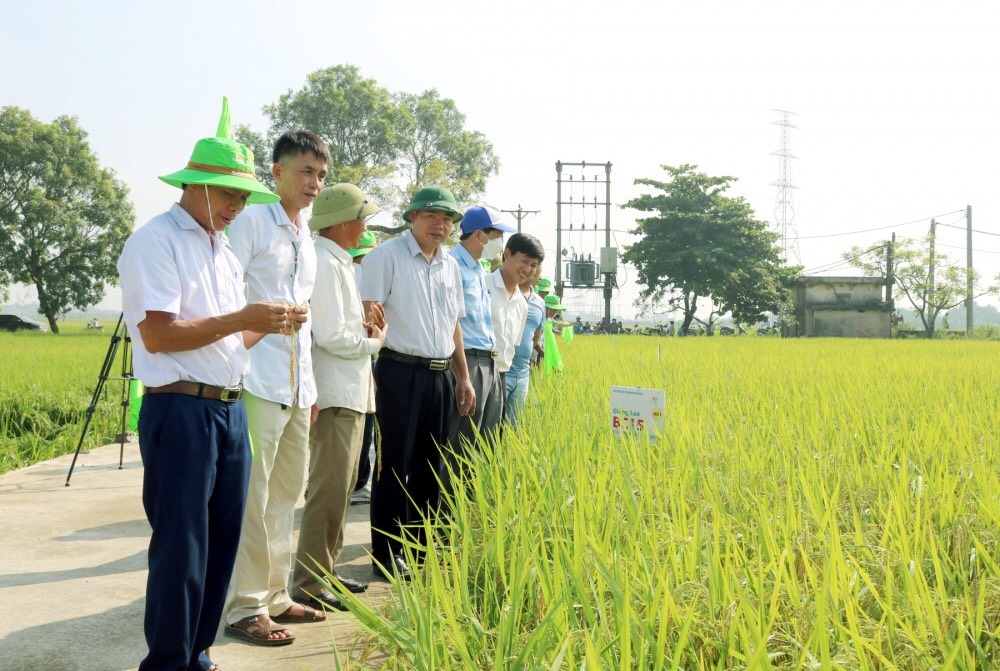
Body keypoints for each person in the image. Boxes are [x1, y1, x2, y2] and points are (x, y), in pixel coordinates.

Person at [117, 98, 306, 671]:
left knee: (223, 538)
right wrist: (243, 318)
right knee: (182, 546)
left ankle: (197, 650)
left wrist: (266, 324)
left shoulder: (222, 252)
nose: (236, 207)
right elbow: (159, 334)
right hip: (180, 412)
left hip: (226, 411)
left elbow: (224, 342)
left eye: (244, 197)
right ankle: (168, 662)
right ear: (195, 186)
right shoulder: (157, 241)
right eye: (229, 194)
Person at [224, 130, 331, 645]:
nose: (314, 183)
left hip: (295, 382)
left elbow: (303, 316)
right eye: (306, 171)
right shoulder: (251, 222)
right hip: (257, 377)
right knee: (255, 494)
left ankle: (276, 596)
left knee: (287, 493)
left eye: (321, 175)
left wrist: (308, 390)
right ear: (278, 172)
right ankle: (244, 607)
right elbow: (227, 290)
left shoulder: (303, 232)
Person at [359, 185, 474, 581]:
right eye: (431, 216)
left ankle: (419, 547)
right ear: (412, 217)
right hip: (398, 372)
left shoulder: (451, 266)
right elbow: (369, 318)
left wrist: (463, 377)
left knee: (432, 465)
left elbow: (454, 324)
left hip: (440, 375)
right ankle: (386, 553)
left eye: (447, 219)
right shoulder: (385, 257)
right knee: (394, 465)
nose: (439, 225)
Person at [291, 184, 385, 610]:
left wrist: (365, 333)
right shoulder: (326, 265)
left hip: (352, 389)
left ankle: (326, 571)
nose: (365, 226)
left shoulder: (339, 262)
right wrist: (374, 341)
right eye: (363, 217)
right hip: (335, 391)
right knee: (328, 489)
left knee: (343, 488)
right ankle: (310, 582)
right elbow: (330, 335)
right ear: (345, 221)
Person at [443, 205, 516, 497]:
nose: (500, 243)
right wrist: (462, 374)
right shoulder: (451, 265)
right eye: (496, 235)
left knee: (484, 444)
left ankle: (471, 510)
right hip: (467, 362)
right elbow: (452, 323)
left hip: (489, 362)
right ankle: (447, 516)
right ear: (479, 235)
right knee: (460, 443)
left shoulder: (479, 269)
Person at [348, 230, 378, 505]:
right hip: (365, 351)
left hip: (355, 353)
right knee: (364, 421)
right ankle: (357, 484)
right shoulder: (363, 278)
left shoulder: (347, 271)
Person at [501, 240, 546, 425]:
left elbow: (536, 338)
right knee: (491, 429)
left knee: (513, 427)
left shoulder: (539, 303)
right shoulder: (503, 291)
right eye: (526, 263)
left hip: (522, 374)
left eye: (535, 267)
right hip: (500, 372)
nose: (531, 271)